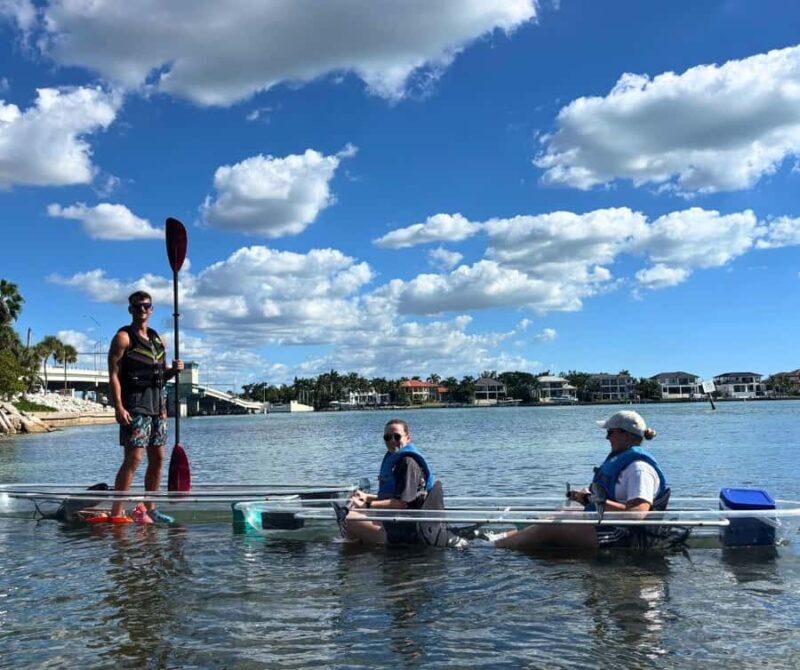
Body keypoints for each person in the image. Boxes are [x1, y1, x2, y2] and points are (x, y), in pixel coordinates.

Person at [494, 410, 670, 550]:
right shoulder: (625, 463)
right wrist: (583, 497)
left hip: (626, 534)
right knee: (563, 513)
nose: (606, 437)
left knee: (553, 528)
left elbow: (637, 514)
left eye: (610, 432)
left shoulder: (639, 469)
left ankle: (491, 548)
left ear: (627, 435)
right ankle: (498, 539)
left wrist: (590, 500)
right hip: (610, 525)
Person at [107, 291, 183, 523]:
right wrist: (118, 406)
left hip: (158, 407)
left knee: (158, 458)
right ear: (130, 309)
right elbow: (113, 374)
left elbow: (159, 377)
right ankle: (117, 512)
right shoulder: (123, 337)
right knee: (134, 458)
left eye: (146, 306)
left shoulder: (158, 339)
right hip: (135, 406)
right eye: (137, 306)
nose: (142, 310)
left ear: (151, 310)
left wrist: (173, 371)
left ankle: (150, 508)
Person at [338, 419, 462, 547]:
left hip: (408, 528)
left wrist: (368, 505)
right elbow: (396, 496)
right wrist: (366, 497)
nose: (392, 441)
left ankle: (357, 556)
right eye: (387, 437)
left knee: (349, 518)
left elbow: (401, 504)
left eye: (397, 437)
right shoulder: (397, 462)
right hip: (399, 520)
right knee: (357, 512)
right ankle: (358, 546)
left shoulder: (408, 464)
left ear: (408, 438)